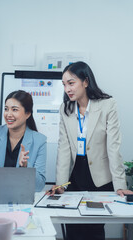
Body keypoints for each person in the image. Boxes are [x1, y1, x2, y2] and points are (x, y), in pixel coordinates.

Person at [48, 61, 132, 240]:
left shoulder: (108, 105)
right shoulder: (66, 109)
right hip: (75, 175)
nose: (67, 89)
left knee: (93, 228)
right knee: (73, 227)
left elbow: (113, 146)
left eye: (71, 83)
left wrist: (120, 185)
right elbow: (64, 147)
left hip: (99, 177)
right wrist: (61, 183)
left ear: (85, 81)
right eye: (64, 84)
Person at [0, 90, 46, 192]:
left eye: (14, 110)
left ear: (27, 114)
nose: (8, 114)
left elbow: (39, 186)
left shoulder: (40, 141)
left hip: (22, 200)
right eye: (6, 109)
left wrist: (26, 167)